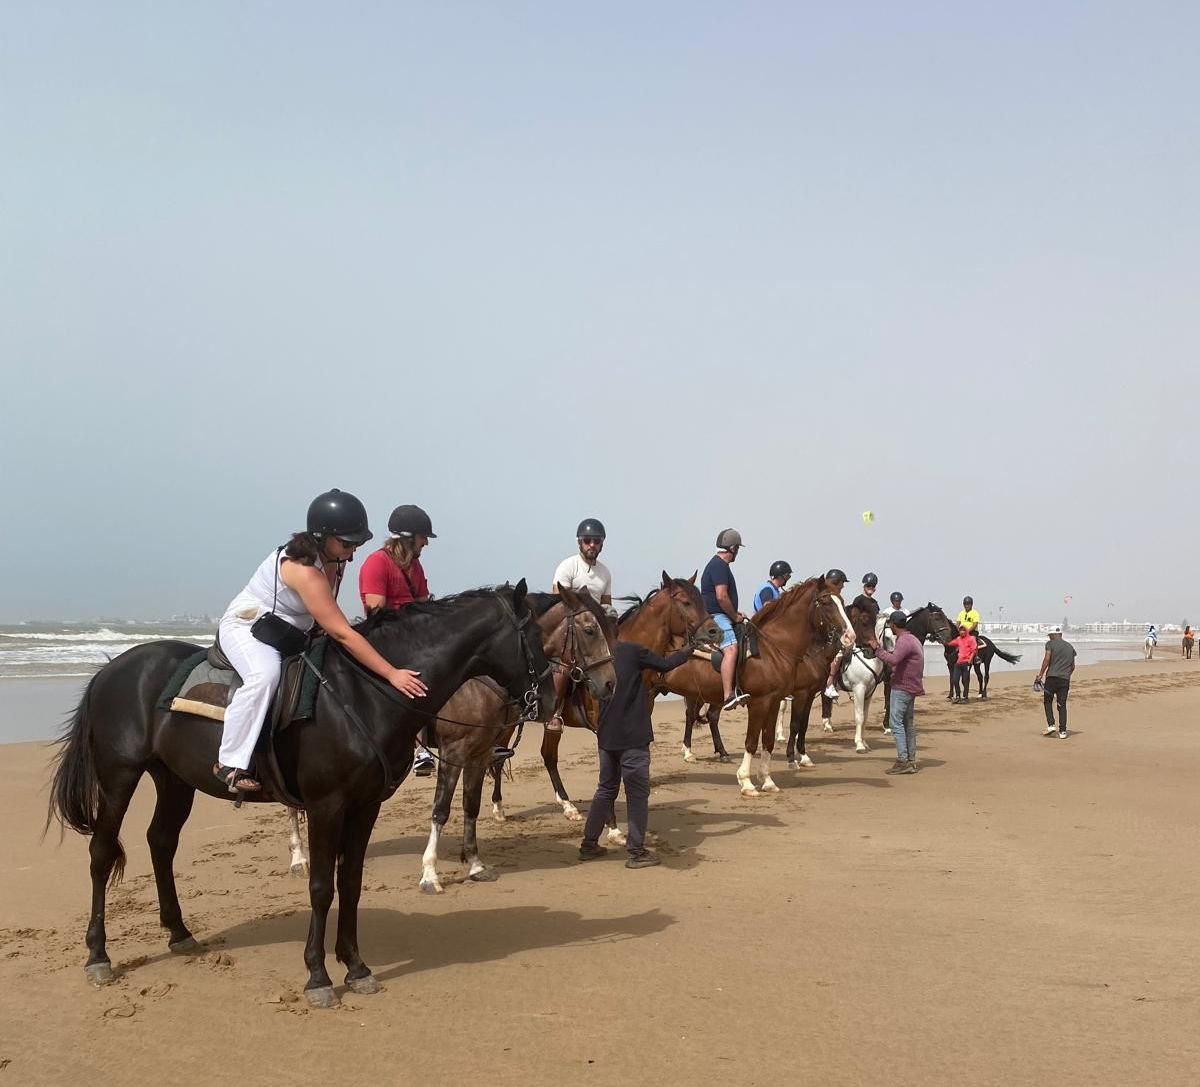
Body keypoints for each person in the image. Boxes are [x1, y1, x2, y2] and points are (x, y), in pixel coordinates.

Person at [213, 489, 427, 793]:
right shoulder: (303, 570)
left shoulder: (334, 559)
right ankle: (229, 761)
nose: (352, 551)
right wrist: (391, 673)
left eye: (356, 543)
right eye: (347, 543)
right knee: (265, 676)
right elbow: (341, 631)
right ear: (321, 536)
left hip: (295, 630)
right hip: (248, 628)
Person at [578, 639, 692, 868]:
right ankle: (636, 852)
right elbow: (665, 664)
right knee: (637, 795)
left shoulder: (593, 654)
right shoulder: (630, 650)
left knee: (605, 790)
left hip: (606, 734)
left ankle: (589, 844)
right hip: (633, 737)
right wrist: (689, 650)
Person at [359, 504, 440, 775]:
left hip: (413, 636)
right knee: (418, 674)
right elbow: (377, 613)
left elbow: (422, 604)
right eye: (422, 537)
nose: (425, 542)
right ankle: (419, 749)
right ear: (408, 537)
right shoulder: (376, 562)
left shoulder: (415, 566)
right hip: (386, 638)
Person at [546, 517, 614, 731]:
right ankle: (554, 713)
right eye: (587, 540)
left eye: (596, 540)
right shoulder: (568, 566)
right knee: (565, 665)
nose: (592, 545)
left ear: (602, 543)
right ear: (579, 542)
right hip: (570, 625)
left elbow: (606, 604)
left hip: (594, 628)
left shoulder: (605, 572)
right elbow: (559, 599)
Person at [870, 611, 924, 773]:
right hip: (911, 687)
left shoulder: (904, 641)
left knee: (896, 723)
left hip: (902, 687)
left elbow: (893, 660)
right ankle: (910, 759)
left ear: (893, 625)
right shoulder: (913, 639)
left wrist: (877, 650)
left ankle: (903, 760)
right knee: (908, 724)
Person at [701, 529, 749, 711]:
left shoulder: (719, 566)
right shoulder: (719, 566)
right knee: (731, 648)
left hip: (722, 614)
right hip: (716, 616)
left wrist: (737, 614)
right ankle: (728, 694)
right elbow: (721, 597)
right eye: (738, 549)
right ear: (733, 547)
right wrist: (734, 616)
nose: (738, 552)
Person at [1035, 626, 1076, 738]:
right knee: (1062, 704)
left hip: (1052, 678)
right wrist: (1066, 675)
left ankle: (1051, 724)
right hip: (1064, 680)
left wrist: (1040, 675)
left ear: (1053, 635)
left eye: (1049, 635)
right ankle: (1063, 731)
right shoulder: (1070, 647)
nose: (1049, 637)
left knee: (1048, 701)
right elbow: (1072, 666)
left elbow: (1047, 659)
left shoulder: (1050, 644)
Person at [822, 568, 850, 700]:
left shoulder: (838, 598)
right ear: (836, 582)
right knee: (839, 652)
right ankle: (829, 683)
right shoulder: (829, 597)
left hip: (835, 632)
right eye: (842, 583)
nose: (843, 586)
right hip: (826, 635)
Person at [946, 624, 978, 703]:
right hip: (958, 663)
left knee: (965, 680)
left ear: (966, 631)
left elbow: (974, 650)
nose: (961, 632)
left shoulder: (971, 639)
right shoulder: (958, 639)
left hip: (966, 663)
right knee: (955, 680)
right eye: (960, 630)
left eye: (963, 630)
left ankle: (965, 697)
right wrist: (942, 640)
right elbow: (949, 643)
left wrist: (970, 659)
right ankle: (957, 696)